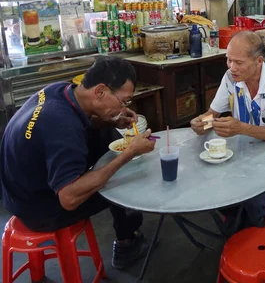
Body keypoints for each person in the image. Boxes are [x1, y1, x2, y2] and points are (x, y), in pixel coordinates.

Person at [0, 57, 156, 270]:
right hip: (38, 209)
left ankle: (127, 233)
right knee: (122, 179)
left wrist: (111, 119)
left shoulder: (61, 91)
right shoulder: (62, 127)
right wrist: (128, 154)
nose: (125, 107)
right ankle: (126, 245)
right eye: (123, 101)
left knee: (107, 134)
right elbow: (69, 198)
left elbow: (80, 123)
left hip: (17, 191)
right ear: (100, 91)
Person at [191, 31, 265, 231]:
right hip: (241, 148)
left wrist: (241, 128)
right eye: (229, 60)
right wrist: (201, 123)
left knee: (254, 196)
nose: (232, 68)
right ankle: (236, 224)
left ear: (258, 61)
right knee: (208, 180)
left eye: (238, 62)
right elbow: (212, 114)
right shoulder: (230, 78)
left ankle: (250, 237)